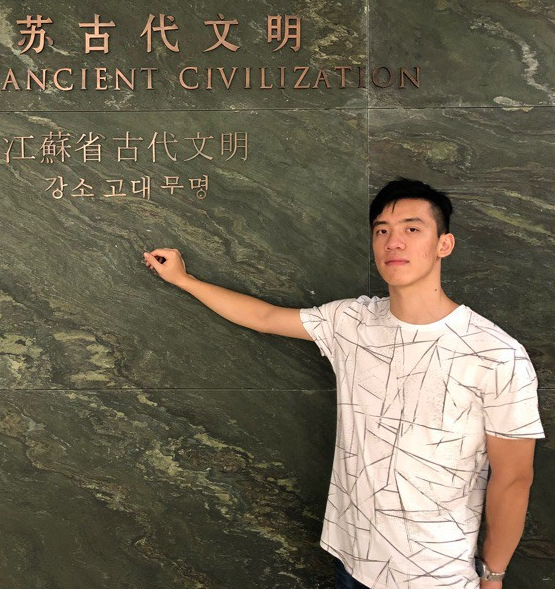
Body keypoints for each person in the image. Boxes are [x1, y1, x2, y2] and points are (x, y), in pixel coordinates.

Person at [142, 177, 545, 589]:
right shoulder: (351, 321)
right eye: (382, 231)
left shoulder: (495, 353)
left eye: (412, 229)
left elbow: (514, 478)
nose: (394, 242)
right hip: (352, 561)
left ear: (444, 244)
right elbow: (265, 317)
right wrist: (184, 280)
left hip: (435, 575)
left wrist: (493, 575)